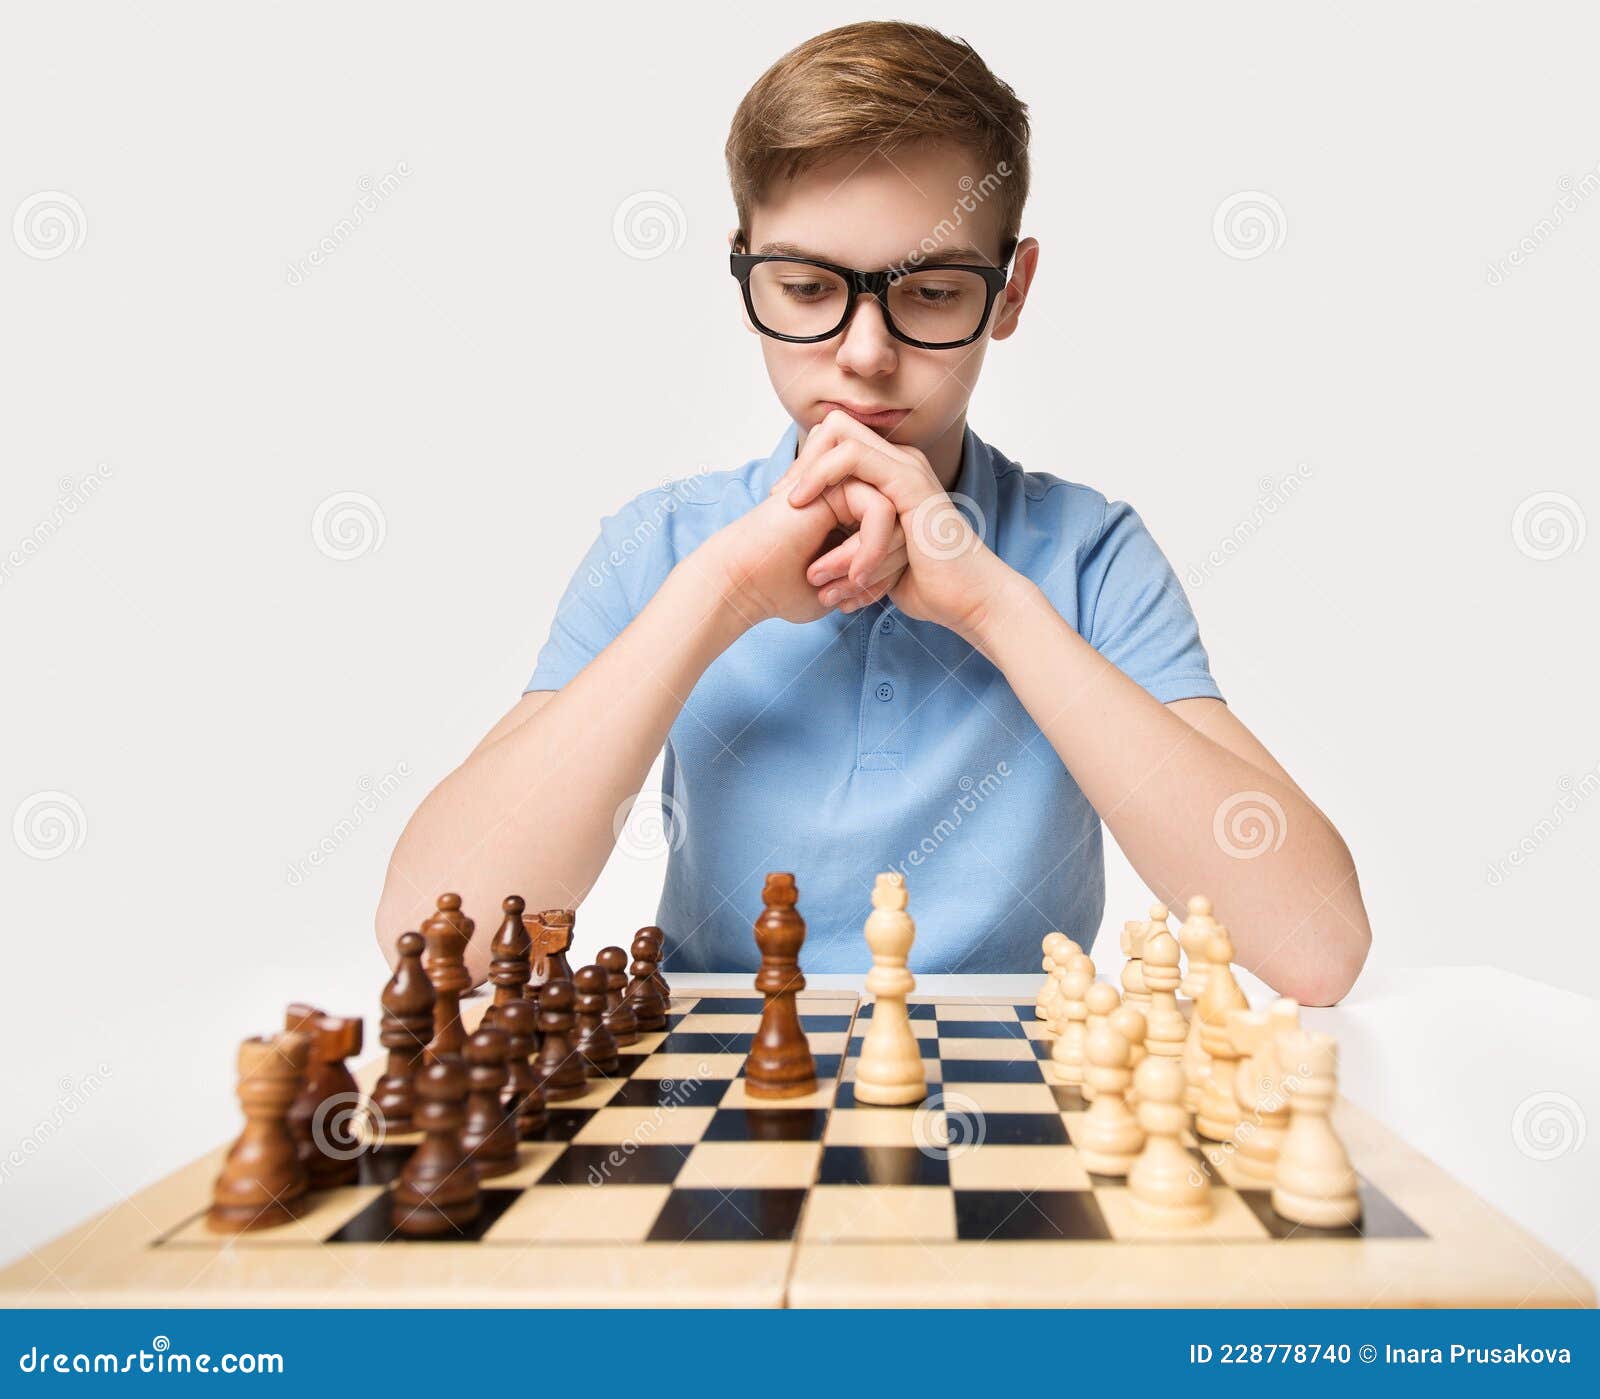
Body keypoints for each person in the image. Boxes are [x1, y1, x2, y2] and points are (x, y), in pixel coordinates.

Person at [377, 21, 1370, 1004]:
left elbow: (1316, 946)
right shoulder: (667, 546)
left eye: (932, 291)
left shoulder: (1089, 555)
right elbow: (430, 941)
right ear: (744, 274)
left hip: (1012, 1118)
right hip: (720, 1115)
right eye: (806, 287)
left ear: (1010, 292)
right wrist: (717, 593)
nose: (862, 353)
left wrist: (991, 605)